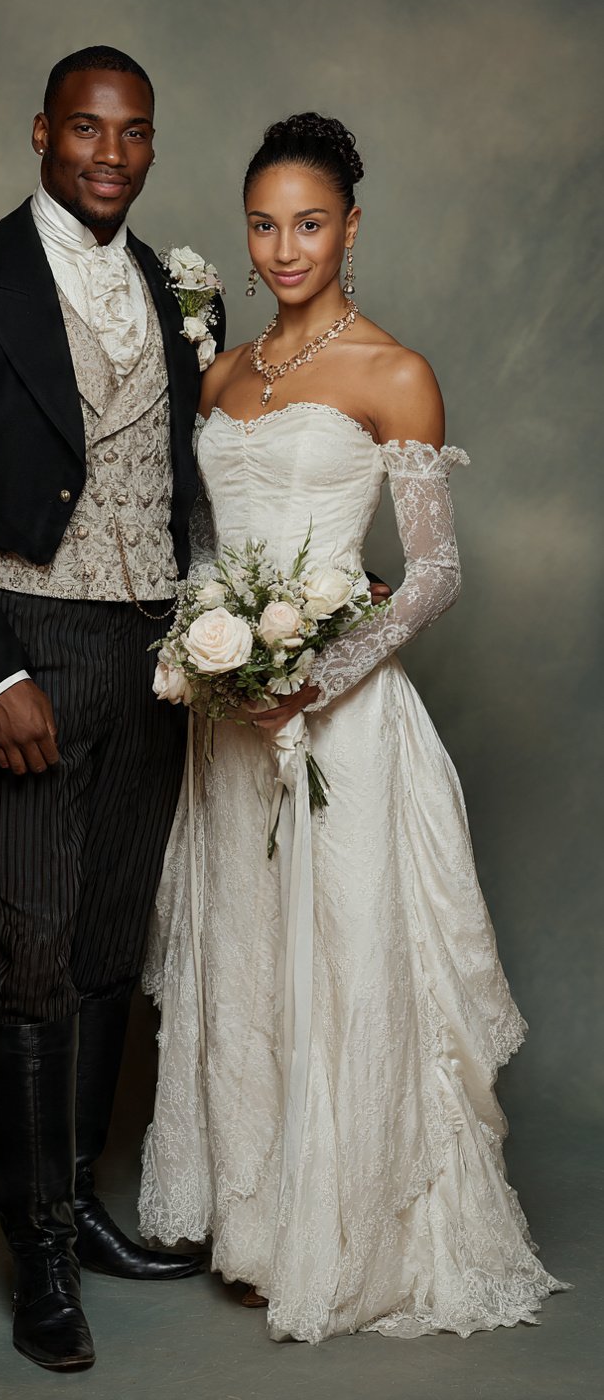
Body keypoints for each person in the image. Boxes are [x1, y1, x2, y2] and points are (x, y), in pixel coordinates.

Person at [139, 113, 565, 1343]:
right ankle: (255, 1221)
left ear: (351, 227)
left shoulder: (395, 372)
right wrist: (214, 648)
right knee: (246, 957)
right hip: (229, 724)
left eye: (309, 224)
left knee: (342, 959)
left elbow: (432, 574)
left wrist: (314, 676)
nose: (284, 249)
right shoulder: (221, 372)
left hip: (340, 728)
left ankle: (345, 1230)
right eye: (264, 225)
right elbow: (208, 552)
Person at [0, 46, 228, 1373]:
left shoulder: (178, 293)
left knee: (106, 942)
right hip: (27, 649)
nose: (109, 155)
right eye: (85, 129)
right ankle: (40, 1258)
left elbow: (188, 480)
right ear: (40, 133)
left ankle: (78, 1200)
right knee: (26, 952)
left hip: (155, 659)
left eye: (132, 134)